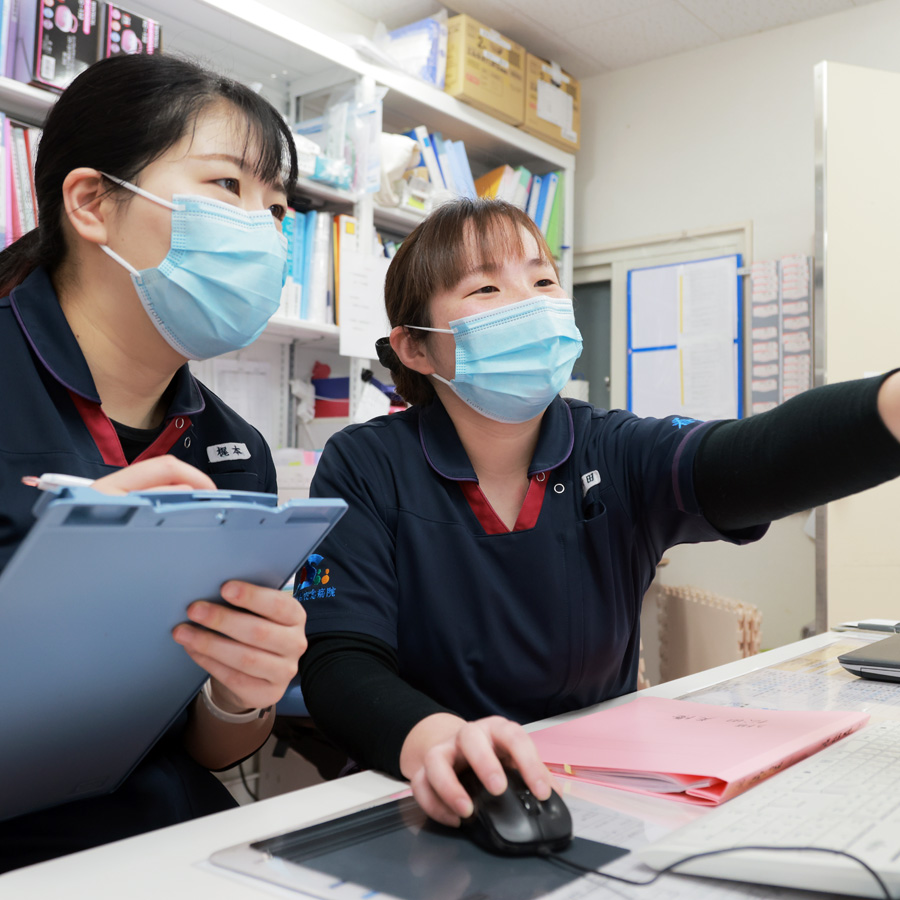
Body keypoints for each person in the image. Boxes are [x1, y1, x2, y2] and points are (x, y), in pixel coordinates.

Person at [297, 197, 900, 828]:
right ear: (416, 348)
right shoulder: (367, 463)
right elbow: (339, 659)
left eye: (543, 280)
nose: (530, 303)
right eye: (486, 287)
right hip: (423, 792)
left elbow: (749, 460)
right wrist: (432, 739)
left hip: (604, 790)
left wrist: (888, 409)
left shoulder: (611, 447)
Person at [0, 54, 305, 871]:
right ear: (93, 202)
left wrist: (242, 692)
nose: (266, 231)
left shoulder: (235, 454)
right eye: (228, 188)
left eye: (278, 209)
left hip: (150, 836)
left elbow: (203, 747)